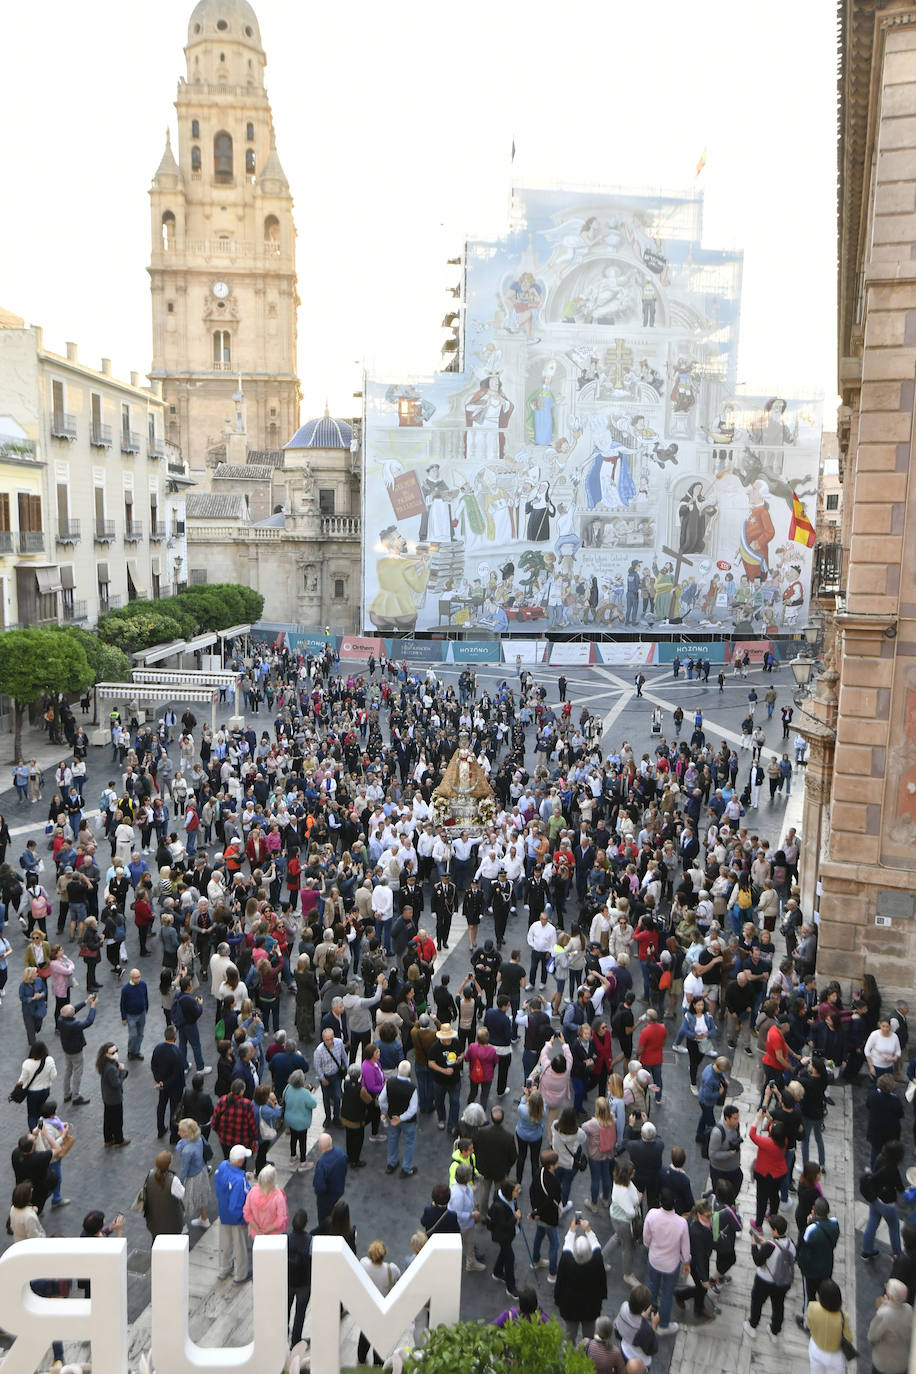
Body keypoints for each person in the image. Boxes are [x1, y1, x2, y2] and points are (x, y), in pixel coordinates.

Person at [643, 1189, 690, 1335]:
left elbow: (646, 1239)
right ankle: (663, 1324)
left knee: (652, 1286)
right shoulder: (681, 1223)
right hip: (671, 1264)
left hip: (654, 1260)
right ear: (674, 1203)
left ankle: (649, 1311)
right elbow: (685, 1247)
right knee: (668, 1293)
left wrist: (650, 1246)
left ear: (660, 1202)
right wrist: (686, 1261)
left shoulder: (651, 1215)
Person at [743, 1212, 796, 1340]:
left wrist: (754, 1244)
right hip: (782, 1282)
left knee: (757, 1302)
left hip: (765, 1281)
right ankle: (774, 1331)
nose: (770, 1231)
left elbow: (757, 1260)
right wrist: (766, 1243)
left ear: (775, 1230)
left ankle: (752, 1326)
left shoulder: (769, 1247)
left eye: (771, 1229)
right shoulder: (791, 1243)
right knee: (778, 1306)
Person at [554, 1218, 607, 1343]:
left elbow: (566, 1246)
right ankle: (587, 1356)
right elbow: (596, 1245)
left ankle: (570, 1357)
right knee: (588, 1338)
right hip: (590, 1307)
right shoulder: (597, 1261)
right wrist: (588, 1229)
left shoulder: (567, 1260)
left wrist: (572, 1229)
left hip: (570, 1308)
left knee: (569, 1335)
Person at [796, 1197, 840, 1330]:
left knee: (809, 1297)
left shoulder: (812, 1230)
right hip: (827, 1267)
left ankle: (806, 1323)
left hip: (811, 1271)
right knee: (824, 1295)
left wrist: (810, 1223)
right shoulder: (834, 1224)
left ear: (814, 1210)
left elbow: (803, 1246)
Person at [357, 1240, 401, 1366]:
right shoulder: (391, 1269)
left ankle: (361, 1357)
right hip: (383, 1307)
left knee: (365, 1331)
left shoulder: (364, 1263)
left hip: (368, 1306)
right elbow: (398, 1280)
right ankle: (377, 1360)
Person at [214, 1144, 253, 1284]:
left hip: (223, 1213)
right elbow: (235, 1205)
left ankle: (224, 1268)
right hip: (237, 1219)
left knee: (225, 1243)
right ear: (241, 1161)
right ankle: (240, 1274)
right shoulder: (238, 1180)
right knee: (240, 1246)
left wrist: (244, 1175)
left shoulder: (223, 1166)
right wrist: (242, 1220)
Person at [601, 1155, 641, 1286]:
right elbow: (630, 1213)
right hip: (623, 1222)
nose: (634, 1172)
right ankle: (628, 1274)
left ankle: (601, 1259)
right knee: (627, 1248)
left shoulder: (622, 1182)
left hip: (617, 1218)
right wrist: (637, 1203)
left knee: (617, 1238)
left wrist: (636, 1200)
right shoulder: (622, 1191)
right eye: (632, 1172)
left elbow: (634, 1194)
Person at [862, 1139, 905, 1260]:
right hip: (887, 1204)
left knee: (872, 1223)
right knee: (894, 1227)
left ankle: (867, 1250)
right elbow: (900, 1188)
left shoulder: (879, 1158)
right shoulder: (893, 1171)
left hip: (875, 1198)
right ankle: (897, 1254)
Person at [804, 1277, 853, 1374]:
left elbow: (809, 1325)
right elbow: (848, 1338)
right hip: (834, 1356)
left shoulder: (812, 1307)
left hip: (816, 1349)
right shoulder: (843, 1317)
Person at [867, 1277, 913, 1374]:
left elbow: (872, 1336)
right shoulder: (909, 1310)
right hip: (901, 1363)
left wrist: (882, 1306)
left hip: (883, 1364)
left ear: (891, 1296)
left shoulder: (883, 1314)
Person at [487, 1177, 521, 1298]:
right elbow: (503, 1226)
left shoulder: (509, 1199)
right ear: (509, 1192)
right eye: (516, 1191)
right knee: (510, 1258)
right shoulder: (499, 1207)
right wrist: (515, 1218)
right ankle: (511, 1287)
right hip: (503, 1235)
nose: (518, 1192)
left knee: (504, 1252)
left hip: (508, 1234)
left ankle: (497, 1272)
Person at [139, 1150, 185, 1238]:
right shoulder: (173, 1181)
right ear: (169, 1165)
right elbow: (183, 1195)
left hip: (154, 1221)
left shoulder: (150, 1174)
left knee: (156, 1242)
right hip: (171, 1223)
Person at [175, 1118, 211, 1229]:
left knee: (184, 1202)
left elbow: (184, 1169)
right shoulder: (199, 1138)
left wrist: (179, 1183)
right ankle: (204, 1219)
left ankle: (182, 1226)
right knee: (202, 1196)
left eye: (181, 1131)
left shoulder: (187, 1151)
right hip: (202, 1171)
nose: (178, 1132)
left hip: (192, 1177)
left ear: (187, 1133)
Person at [582, 1097, 617, 1211]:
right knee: (606, 1175)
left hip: (595, 1154)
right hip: (608, 1153)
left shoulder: (593, 1123)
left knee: (595, 1178)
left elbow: (583, 1127)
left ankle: (593, 1204)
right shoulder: (611, 1118)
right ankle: (606, 1199)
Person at [13, 1040, 57, 1131]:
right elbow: (53, 1076)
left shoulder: (27, 1063)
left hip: (33, 1093)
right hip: (45, 1090)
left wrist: (17, 1086)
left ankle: (34, 1134)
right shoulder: (49, 1060)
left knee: (32, 1115)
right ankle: (41, 1129)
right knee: (41, 1113)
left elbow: (22, 1079)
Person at [614, 1283, 659, 1367]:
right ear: (645, 1309)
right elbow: (652, 1349)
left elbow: (617, 1330)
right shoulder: (645, 1329)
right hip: (639, 1362)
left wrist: (641, 1316)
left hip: (624, 1350)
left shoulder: (624, 1306)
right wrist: (654, 1326)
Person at [449, 1162, 484, 1271]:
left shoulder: (463, 1186)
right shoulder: (458, 1195)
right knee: (469, 1243)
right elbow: (455, 1213)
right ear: (466, 1177)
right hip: (464, 1225)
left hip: (467, 1223)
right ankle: (471, 1263)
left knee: (468, 1243)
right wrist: (471, 1215)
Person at [287, 1208, 312, 1349]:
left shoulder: (286, 1238)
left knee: (286, 1309)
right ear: (305, 1224)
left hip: (288, 1281)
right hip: (304, 1284)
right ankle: (296, 1341)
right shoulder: (310, 1241)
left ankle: (283, 1334)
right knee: (300, 1312)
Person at [96, 1040, 129, 1147]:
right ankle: (119, 1140)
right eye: (113, 1052)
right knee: (117, 1120)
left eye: (116, 1051)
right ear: (106, 1054)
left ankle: (108, 1139)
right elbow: (116, 1083)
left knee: (108, 1119)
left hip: (107, 1097)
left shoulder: (104, 1063)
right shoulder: (110, 1068)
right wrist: (123, 1072)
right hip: (114, 1098)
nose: (116, 1054)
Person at [243, 1163, 289, 1238]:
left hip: (256, 1234)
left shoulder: (252, 1192)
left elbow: (247, 1212)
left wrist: (257, 1229)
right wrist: (266, 1231)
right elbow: (280, 1219)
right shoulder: (278, 1196)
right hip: (274, 1235)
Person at [313, 1131, 348, 1225]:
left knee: (324, 1219)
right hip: (338, 1191)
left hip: (326, 1198)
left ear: (320, 1146)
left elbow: (319, 1187)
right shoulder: (340, 1152)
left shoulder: (322, 1164)